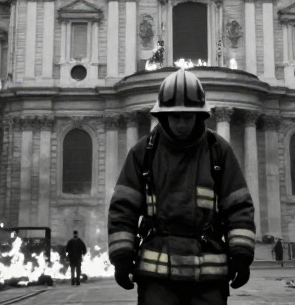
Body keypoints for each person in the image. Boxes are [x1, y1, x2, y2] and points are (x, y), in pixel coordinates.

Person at [107, 69, 257, 304]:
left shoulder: (219, 151)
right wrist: (122, 255)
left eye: (187, 117)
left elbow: (238, 207)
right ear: (163, 116)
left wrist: (241, 253)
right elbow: (123, 208)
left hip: (208, 278)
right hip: (158, 279)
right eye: (175, 116)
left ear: (200, 115)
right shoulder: (143, 152)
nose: (181, 124)